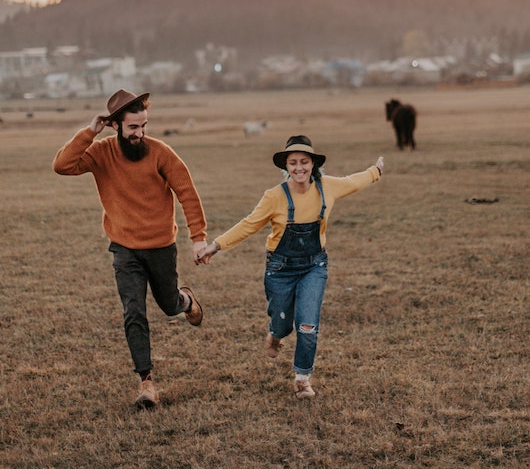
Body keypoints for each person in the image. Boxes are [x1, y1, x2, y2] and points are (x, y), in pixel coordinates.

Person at [53, 89, 207, 409]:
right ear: (116, 126)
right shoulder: (100, 152)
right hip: (124, 247)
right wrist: (89, 131)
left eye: (144, 126)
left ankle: (186, 300)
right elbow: (62, 166)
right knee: (133, 311)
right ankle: (147, 382)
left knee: (168, 304)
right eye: (133, 127)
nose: (140, 134)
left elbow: (187, 193)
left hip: (161, 246)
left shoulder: (161, 152)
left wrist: (199, 237)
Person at [197, 135, 383, 399]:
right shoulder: (274, 196)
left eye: (304, 162)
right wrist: (215, 246)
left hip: (314, 266)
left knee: (307, 325)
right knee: (283, 323)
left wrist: (375, 171)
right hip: (280, 269)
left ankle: (302, 379)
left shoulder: (327, 187)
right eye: (293, 163)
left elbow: (354, 181)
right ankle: (276, 334)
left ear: (312, 164)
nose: (299, 168)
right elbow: (248, 225)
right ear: (286, 166)